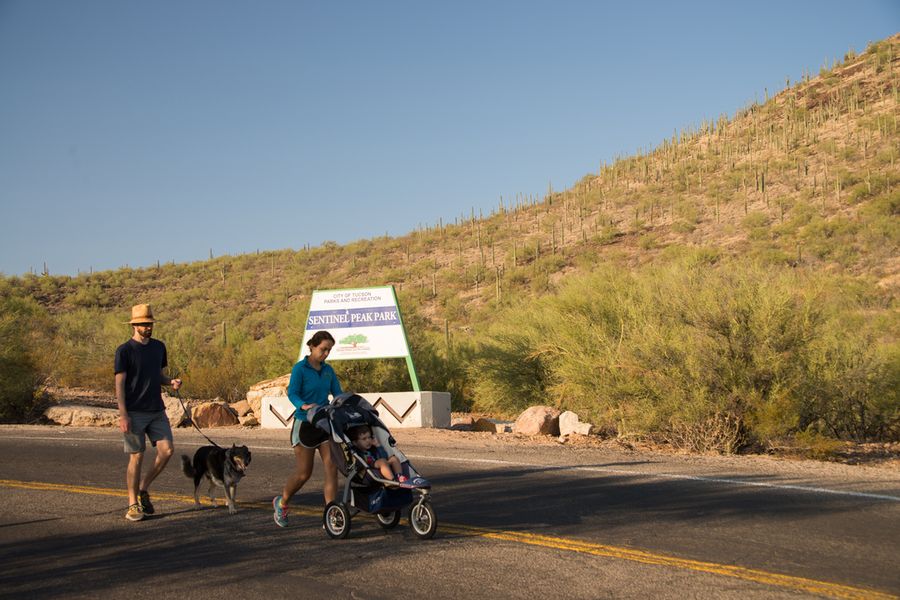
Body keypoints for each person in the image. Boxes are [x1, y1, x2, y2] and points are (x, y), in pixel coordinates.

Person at [114, 304, 182, 522]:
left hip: (156, 410)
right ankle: (132, 504)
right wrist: (123, 414)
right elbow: (120, 384)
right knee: (137, 456)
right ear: (134, 325)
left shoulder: (159, 347)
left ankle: (143, 488)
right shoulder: (124, 351)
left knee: (167, 450)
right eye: (144, 324)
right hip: (134, 412)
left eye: (150, 323)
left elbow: (157, 376)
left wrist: (170, 381)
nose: (148, 327)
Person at [273, 330, 343, 528]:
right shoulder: (300, 369)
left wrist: (344, 402)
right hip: (305, 424)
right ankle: (282, 502)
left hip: (324, 423)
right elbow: (292, 392)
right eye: (323, 349)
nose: (326, 354)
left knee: (332, 467)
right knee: (304, 473)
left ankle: (331, 513)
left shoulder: (328, 371)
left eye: (329, 350)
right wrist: (302, 405)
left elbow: (337, 393)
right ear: (312, 346)